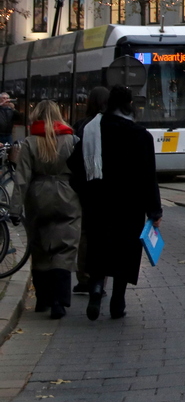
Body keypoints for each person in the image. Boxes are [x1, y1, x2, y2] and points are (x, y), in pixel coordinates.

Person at [82, 86, 162, 321]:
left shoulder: (91, 129)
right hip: (129, 205)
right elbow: (149, 176)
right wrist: (154, 210)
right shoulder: (140, 135)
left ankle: (95, 289)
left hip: (98, 202)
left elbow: (76, 165)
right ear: (129, 105)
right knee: (124, 252)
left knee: (98, 245)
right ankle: (118, 301)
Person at [11, 100, 81, 319]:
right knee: (65, 247)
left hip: (38, 195)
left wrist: (15, 209)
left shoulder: (30, 143)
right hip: (67, 193)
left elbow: (21, 178)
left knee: (40, 245)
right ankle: (60, 300)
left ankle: (43, 299)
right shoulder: (72, 140)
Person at [71, 86, 109, 297]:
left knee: (84, 233)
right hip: (105, 189)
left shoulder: (80, 125)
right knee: (102, 233)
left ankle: (83, 277)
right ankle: (99, 279)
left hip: (85, 188)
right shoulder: (111, 125)